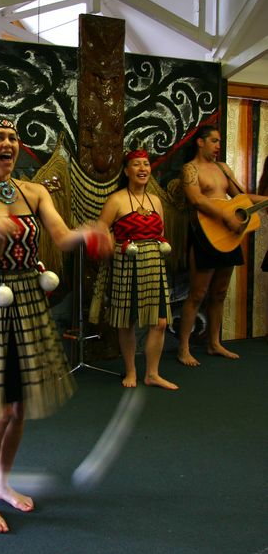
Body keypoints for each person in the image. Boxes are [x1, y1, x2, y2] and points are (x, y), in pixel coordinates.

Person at [0, 116, 112, 533]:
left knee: (21, 407)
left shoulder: (34, 191)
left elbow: (61, 237)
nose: (8, 143)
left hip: (28, 298)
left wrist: (89, 233)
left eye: (13, 137)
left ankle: (2, 482)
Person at [178, 126, 268, 366]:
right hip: (205, 235)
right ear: (200, 142)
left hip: (228, 236)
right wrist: (225, 216)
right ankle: (184, 348)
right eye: (214, 141)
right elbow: (196, 199)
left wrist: (264, 201)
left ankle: (214, 343)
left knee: (219, 293)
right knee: (197, 294)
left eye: (219, 141)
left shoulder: (223, 169)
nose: (218, 145)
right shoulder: (190, 169)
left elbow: (241, 198)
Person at [91, 148, 178, 390]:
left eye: (146, 164)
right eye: (137, 165)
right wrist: (113, 244)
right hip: (127, 264)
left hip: (154, 264)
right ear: (127, 171)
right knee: (127, 321)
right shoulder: (116, 199)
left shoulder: (156, 201)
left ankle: (152, 373)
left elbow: (159, 233)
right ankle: (130, 370)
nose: (143, 169)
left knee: (160, 322)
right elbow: (101, 229)